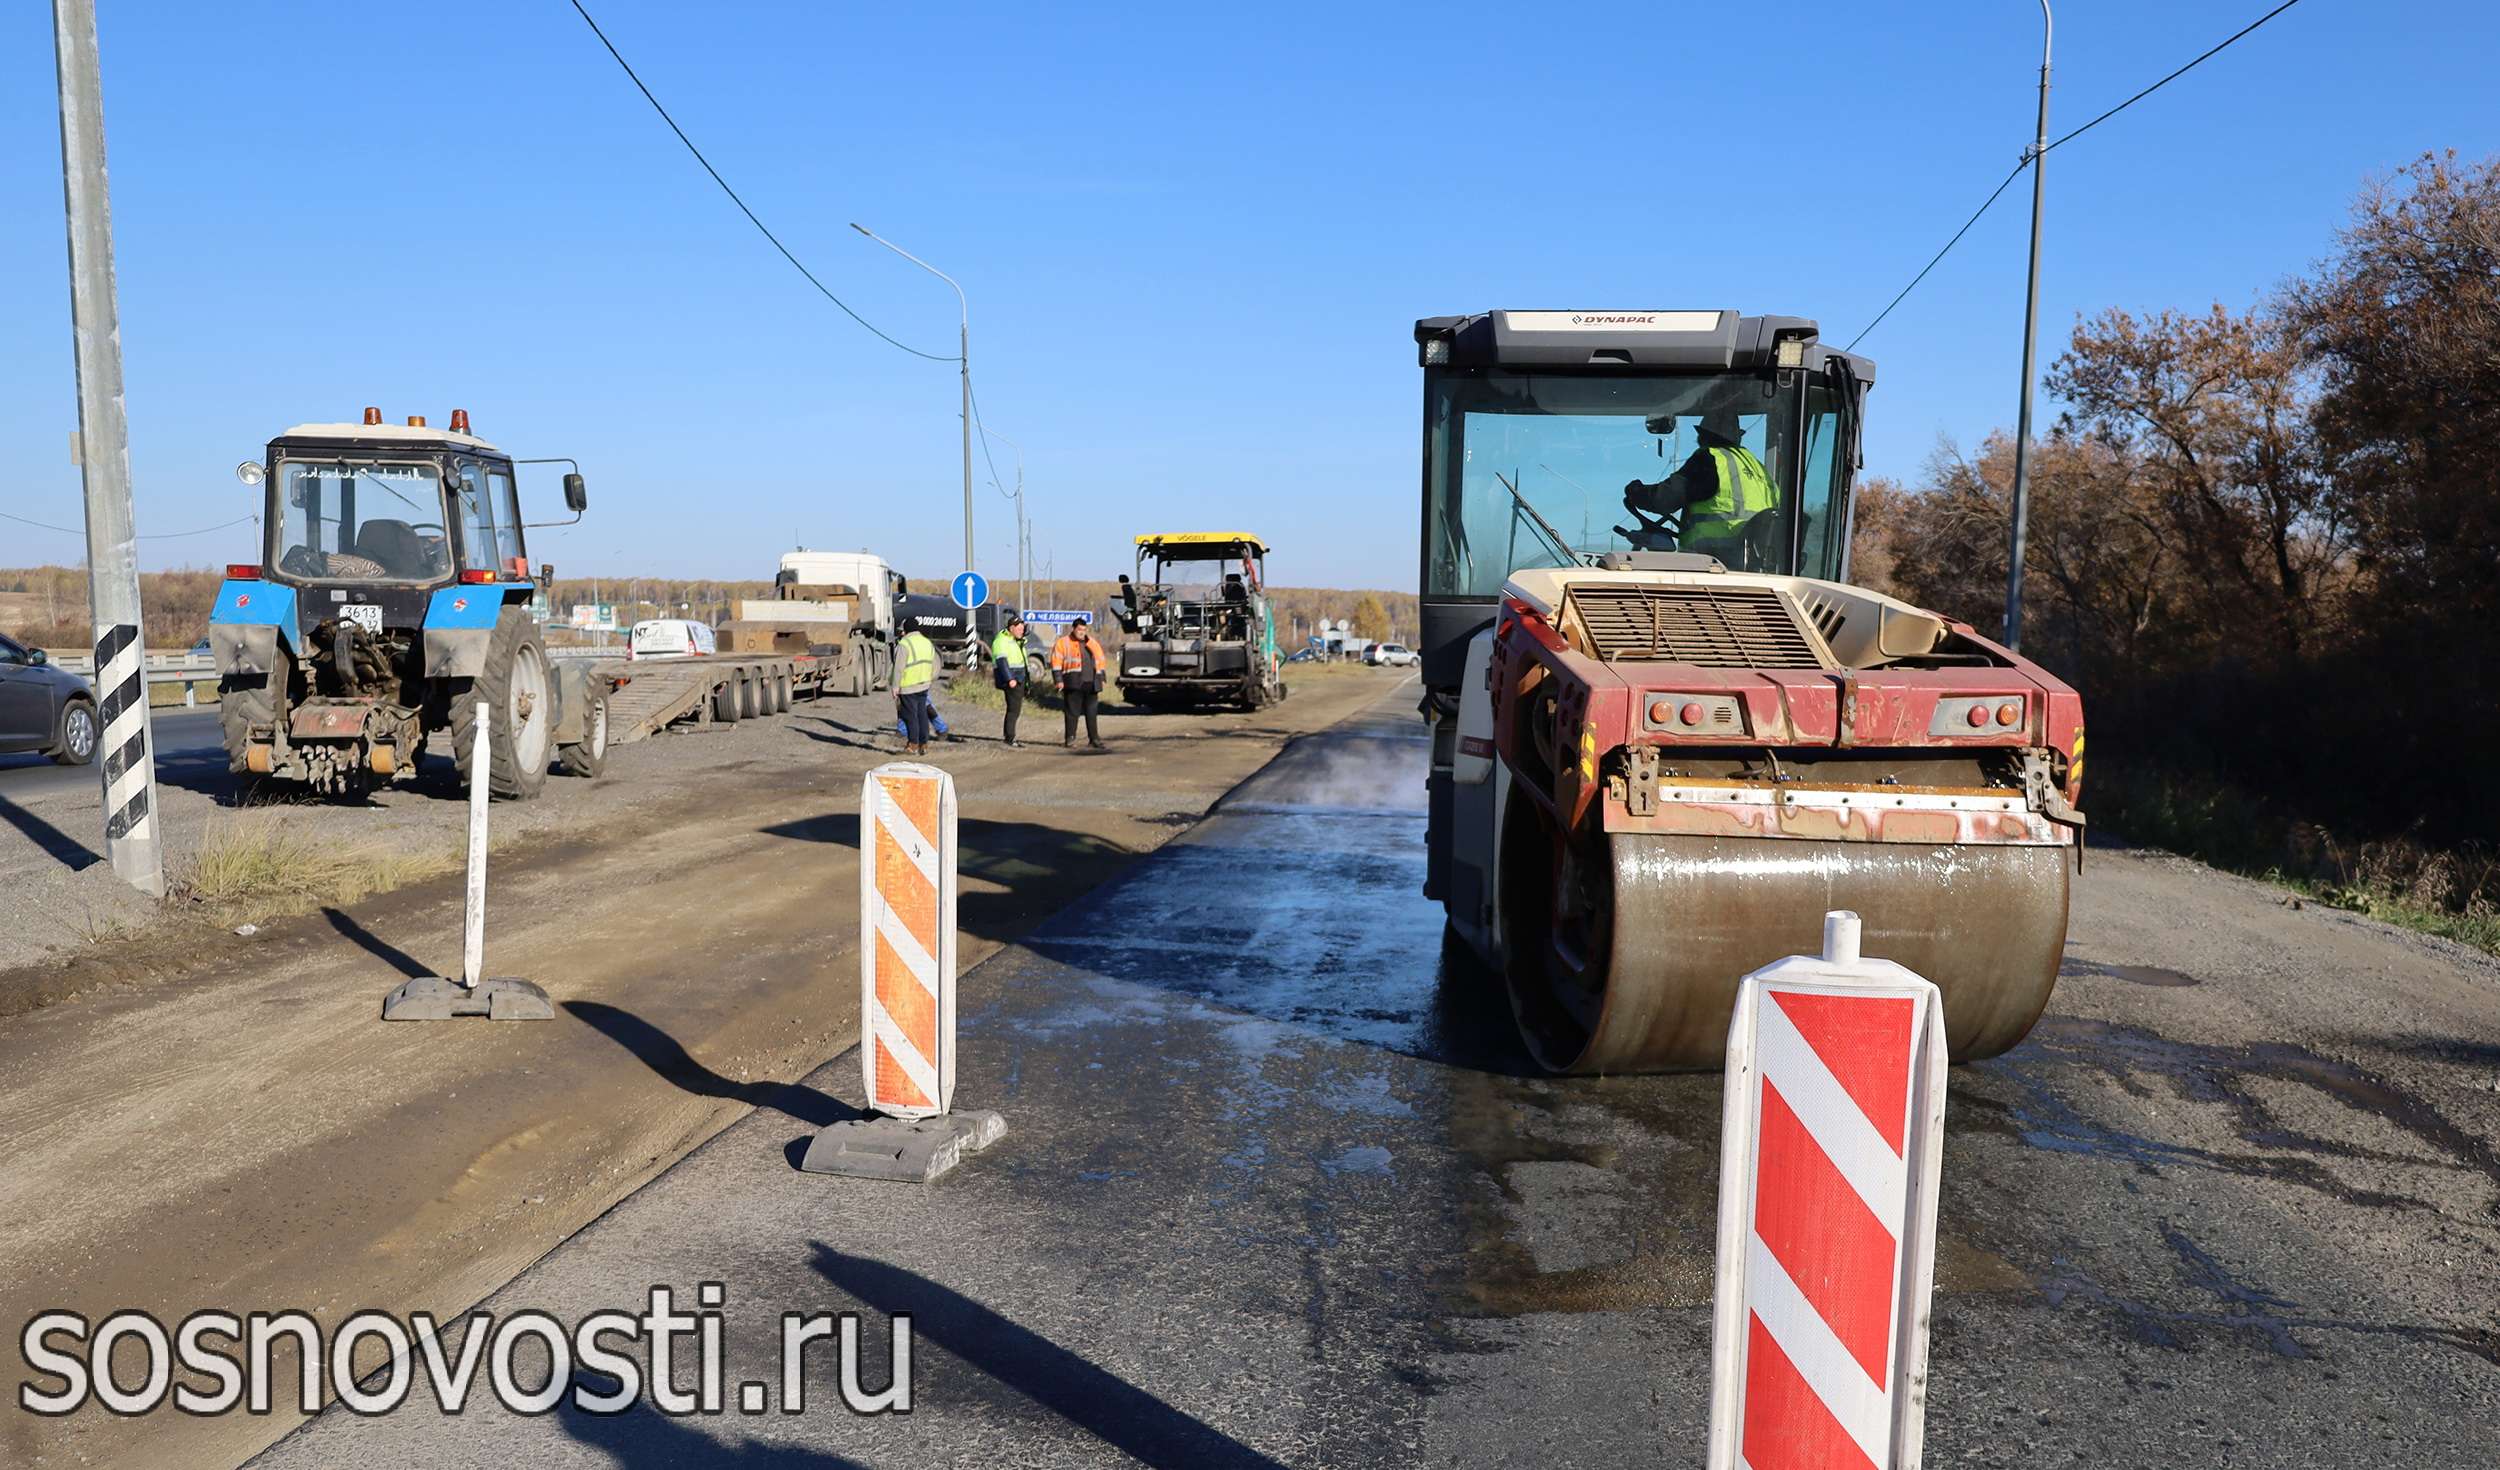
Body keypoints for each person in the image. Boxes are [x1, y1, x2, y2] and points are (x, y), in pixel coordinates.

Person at [1621, 407, 1777, 567]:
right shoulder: (1757, 467)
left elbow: (1664, 499)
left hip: (1713, 560)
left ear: (1704, 436)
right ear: (1737, 437)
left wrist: (1637, 493)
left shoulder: (1710, 459)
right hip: (1751, 564)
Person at [1051, 615, 1110, 750]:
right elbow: (1056, 663)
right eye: (1079, 630)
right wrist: (1058, 680)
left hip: (1092, 683)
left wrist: (1101, 677)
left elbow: (1100, 660)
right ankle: (1070, 739)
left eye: (1084, 630)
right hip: (1073, 682)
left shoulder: (1092, 643)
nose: (1082, 632)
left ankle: (1094, 739)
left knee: (1092, 713)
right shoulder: (1062, 642)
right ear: (1073, 629)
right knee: (1072, 713)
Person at [894, 617, 938, 756]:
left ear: (906, 630)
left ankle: (912, 744)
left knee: (910, 716)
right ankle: (923, 744)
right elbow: (935, 663)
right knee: (922, 714)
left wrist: (895, 686)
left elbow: (898, 668)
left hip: (908, 686)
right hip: (924, 685)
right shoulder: (927, 642)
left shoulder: (904, 644)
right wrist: (929, 679)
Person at [991, 615, 1030, 748]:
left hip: (1018, 677)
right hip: (1012, 679)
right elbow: (1001, 661)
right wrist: (1010, 679)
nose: (1022, 631)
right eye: (1019, 629)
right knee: (1013, 709)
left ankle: (1010, 736)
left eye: (1023, 629)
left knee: (1015, 709)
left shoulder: (1015, 640)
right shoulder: (1001, 641)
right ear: (1011, 628)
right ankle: (1010, 737)